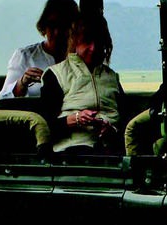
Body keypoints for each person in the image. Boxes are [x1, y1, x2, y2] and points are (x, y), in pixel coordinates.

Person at [40, 14, 123, 154]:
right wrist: (74, 119)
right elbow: (44, 125)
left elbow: (125, 118)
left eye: (99, 43)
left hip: (110, 150)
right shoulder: (56, 74)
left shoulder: (111, 77)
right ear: (74, 41)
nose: (93, 48)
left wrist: (111, 130)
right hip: (72, 151)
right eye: (87, 42)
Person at [0, 0, 79, 99]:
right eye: (52, 25)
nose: (57, 32)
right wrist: (22, 83)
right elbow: (3, 98)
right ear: (44, 26)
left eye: (63, 26)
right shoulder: (25, 56)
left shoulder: (82, 56)